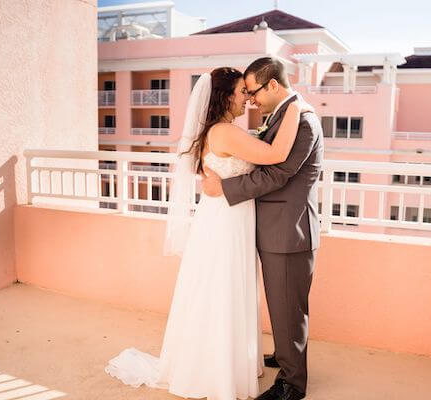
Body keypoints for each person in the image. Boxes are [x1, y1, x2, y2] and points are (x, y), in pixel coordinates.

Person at [105, 66, 306, 400]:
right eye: (243, 92)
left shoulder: (223, 130)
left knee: (223, 288)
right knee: (222, 289)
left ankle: (226, 362)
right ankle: (216, 370)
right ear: (225, 96)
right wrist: (295, 108)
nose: (248, 98)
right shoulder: (224, 132)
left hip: (229, 216)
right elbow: (275, 155)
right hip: (226, 222)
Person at [201, 57, 324, 400]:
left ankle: (291, 384)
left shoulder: (302, 120)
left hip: (289, 230)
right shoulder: (284, 115)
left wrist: (225, 189)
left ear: (272, 85)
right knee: (280, 303)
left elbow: (279, 173)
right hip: (274, 227)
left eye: (253, 91)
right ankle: (287, 356)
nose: (250, 99)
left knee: (288, 307)